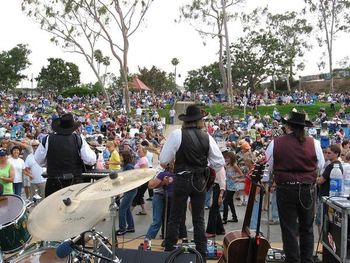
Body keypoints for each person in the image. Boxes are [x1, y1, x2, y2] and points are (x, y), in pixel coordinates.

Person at [159, 104, 225, 262]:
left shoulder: (177, 134)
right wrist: (202, 165)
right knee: (199, 217)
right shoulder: (206, 137)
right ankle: (201, 253)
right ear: (199, 120)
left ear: (186, 121)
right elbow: (219, 162)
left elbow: (163, 160)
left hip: (182, 179)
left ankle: (169, 251)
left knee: (175, 216)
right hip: (199, 181)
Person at [266, 111, 325, 263]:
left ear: (287, 126)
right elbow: (321, 165)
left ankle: (292, 260)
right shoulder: (314, 143)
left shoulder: (276, 143)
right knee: (307, 228)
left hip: (286, 188)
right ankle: (307, 260)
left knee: (289, 229)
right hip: (307, 188)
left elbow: (270, 166)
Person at [35, 113, 96, 197]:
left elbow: (39, 159)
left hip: (54, 182)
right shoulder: (78, 139)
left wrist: (51, 164)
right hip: (74, 183)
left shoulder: (48, 139)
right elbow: (90, 160)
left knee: (52, 208)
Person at [116, 151, 137, 236]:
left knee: (122, 209)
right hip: (129, 189)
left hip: (131, 190)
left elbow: (131, 178)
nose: (119, 158)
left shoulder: (129, 166)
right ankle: (131, 226)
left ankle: (122, 229)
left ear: (124, 157)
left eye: (120, 156)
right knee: (127, 208)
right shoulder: (126, 166)